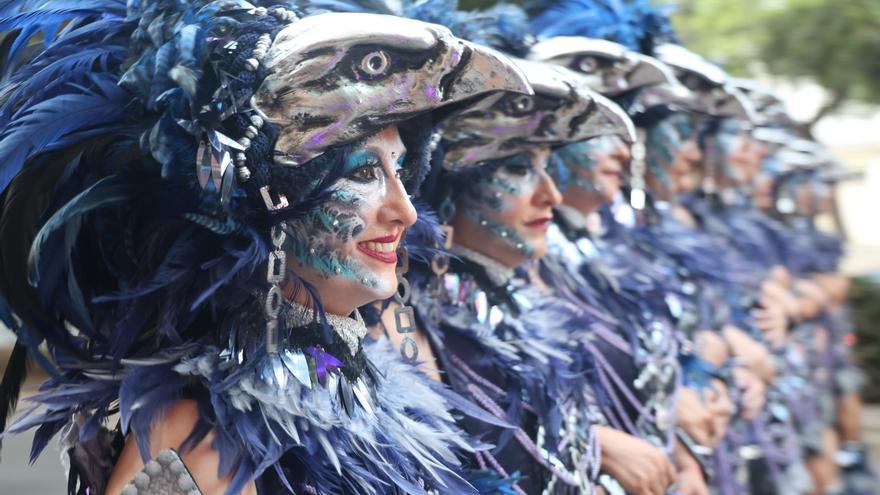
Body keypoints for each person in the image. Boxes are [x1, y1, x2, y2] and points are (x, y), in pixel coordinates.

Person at [0, 1, 534, 493]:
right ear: (274, 203)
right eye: (367, 171)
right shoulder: (197, 439)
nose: (406, 210)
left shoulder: (370, 381)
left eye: (402, 171)